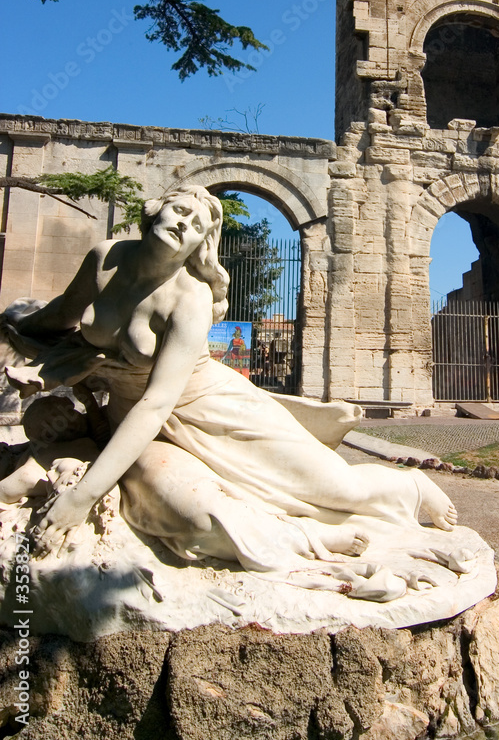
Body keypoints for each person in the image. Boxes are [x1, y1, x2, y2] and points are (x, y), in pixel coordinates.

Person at [2, 186, 471, 598]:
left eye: (197, 224)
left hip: (211, 408)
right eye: (180, 210)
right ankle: (307, 538)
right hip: (140, 425)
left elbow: (159, 399)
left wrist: (83, 497)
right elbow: (62, 313)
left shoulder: (190, 300)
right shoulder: (105, 259)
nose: (183, 224)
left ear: (201, 245)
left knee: (339, 486)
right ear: (155, 210)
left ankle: (407, 486)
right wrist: (14, 328)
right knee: (198, 521)